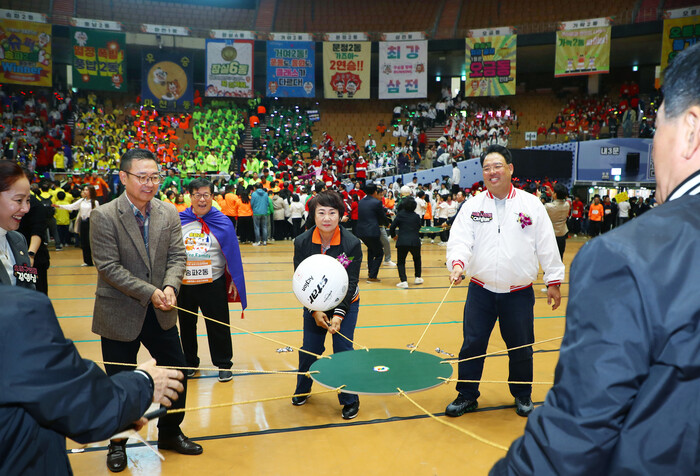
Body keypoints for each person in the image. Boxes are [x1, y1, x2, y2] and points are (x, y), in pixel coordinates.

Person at [491, 41, 700, 475]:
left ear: (690, 130)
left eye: (656, 127)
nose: (653, 145)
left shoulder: (627, 258)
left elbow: (574, 436)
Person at [89, 148, 202, 472]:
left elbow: (177, 257)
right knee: (120, 381)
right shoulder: (104, 215)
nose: (149, 183)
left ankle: (170, 432)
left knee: (177, 372)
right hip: (119, 313)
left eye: (154, 177)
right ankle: (118, 443)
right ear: (123, 177)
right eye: (142, 177)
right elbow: (108, 267)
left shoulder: (168, 212)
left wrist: (170, 286)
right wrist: (151, 291)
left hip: (162, 312)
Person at [0, 285, 186, 476]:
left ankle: (170, 433)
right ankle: (117, 444)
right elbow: (81, 405)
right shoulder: (17, 310)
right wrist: (145, 382)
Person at [445, 144, 564, 418]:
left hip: (519, 293)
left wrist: (553, 280)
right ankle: (466, 395)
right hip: (481, 291)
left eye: (497, 166)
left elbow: (547, 244)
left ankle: (522, 394)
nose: (492, 172)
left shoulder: (531, 204)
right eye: (486, 168)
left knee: (521, 346)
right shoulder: (473, 206)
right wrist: (458, 264)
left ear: (510, 169)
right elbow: (460, 240)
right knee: (472, 345)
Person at [292, 191, 363, 419]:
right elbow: (300, 280)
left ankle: (350, 398)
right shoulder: (302, 242)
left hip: (346, 303)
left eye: (332, 213)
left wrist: (339, 315)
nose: (326, 218)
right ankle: (302, 389)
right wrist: (314, 310)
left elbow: (350, 282)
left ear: (340, 215)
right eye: (321, 212)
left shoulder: (351, 244)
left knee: (343, 351)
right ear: (313, 215)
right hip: (314, 302)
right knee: (310, 349)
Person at [178, 178, 247, 383]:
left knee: (218, 325)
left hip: (213, 282)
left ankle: (224, 364)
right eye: (197, 195)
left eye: (206, 195)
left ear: (212, 197)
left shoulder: (222, 221)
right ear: (190, 197)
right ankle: (190, 362)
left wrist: (233, 278)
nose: (202, 199)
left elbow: (232, 253)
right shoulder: (179, 220)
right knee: (186, 326)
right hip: (185, 284)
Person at [0, 160, 35, 288]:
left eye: (28, 200)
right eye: (19, 200)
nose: (26, 209)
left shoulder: (18, 240)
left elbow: (28, 289)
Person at [54, 184, 99, 267]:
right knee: (84, 242)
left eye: (86, 190)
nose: (84, 191)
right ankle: (87, 261)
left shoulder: (95, 202)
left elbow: (97, 214)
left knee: (91, 243)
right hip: (83, 222)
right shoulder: (82, 200)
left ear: (91, 191)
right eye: (84, 190)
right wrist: (59, 206)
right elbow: (72, 207)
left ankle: (97, 261)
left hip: (91, 223)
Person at [355, 183, 388, 283]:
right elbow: (382, 217)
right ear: (375, 192)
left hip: (361, 231)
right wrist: (387, 224)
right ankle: (372, 276)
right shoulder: (377, 202)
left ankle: (370, 272)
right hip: (372, 231)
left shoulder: (361, 202)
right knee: (379, 253)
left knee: (371, 250)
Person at [389, 196, 423, 288]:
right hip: (415, 241)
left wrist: (393, 236)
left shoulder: (400, 215)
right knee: (417, 259)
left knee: (401, 262)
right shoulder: (416, 216)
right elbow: (419, 227)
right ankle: (418, 277)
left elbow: (392, 227)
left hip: (402, 241)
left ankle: (403, 281)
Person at [544, 183, 570, 260]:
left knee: (549, 259)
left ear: (555, 194)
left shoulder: (548, 206)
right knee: (560, 257)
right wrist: (553, 194)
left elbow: (539, 209)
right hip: (562, 235)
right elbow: (559, 200)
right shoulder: (567, 205)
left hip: (551, 235)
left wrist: (538, 197)